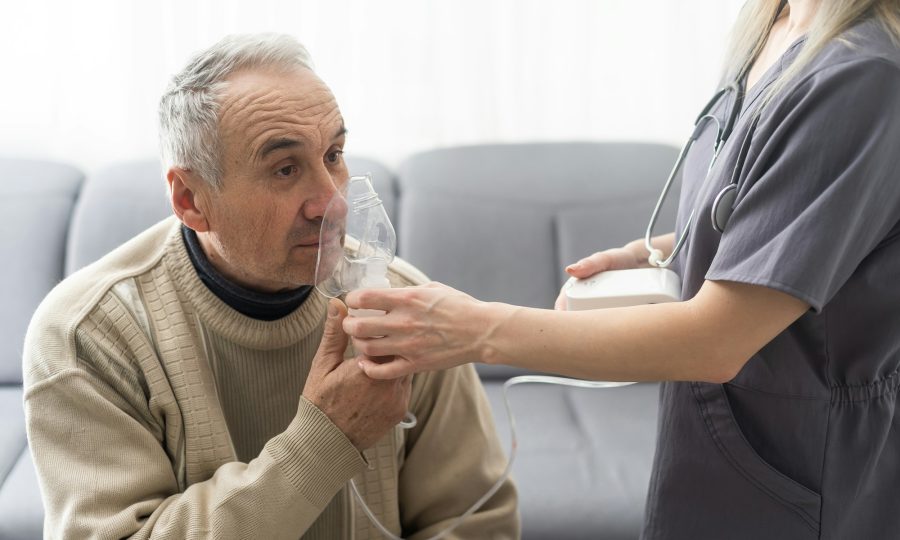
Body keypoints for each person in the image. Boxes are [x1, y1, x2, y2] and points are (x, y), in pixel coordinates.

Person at [342, 1, 900, 538]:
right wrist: (662, 250)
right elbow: (782, 213)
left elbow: (718, 341)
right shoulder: (770, 29)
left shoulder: (860, 75)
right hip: (712, 444)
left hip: (802, 460)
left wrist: (475, 330)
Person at [23, 34, 518, 539]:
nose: (335, 205)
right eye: (285, 169)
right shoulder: (89, 334)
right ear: (191, 198)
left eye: (334, 155)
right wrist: (325, 441)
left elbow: (477, 522)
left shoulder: (402, 310)